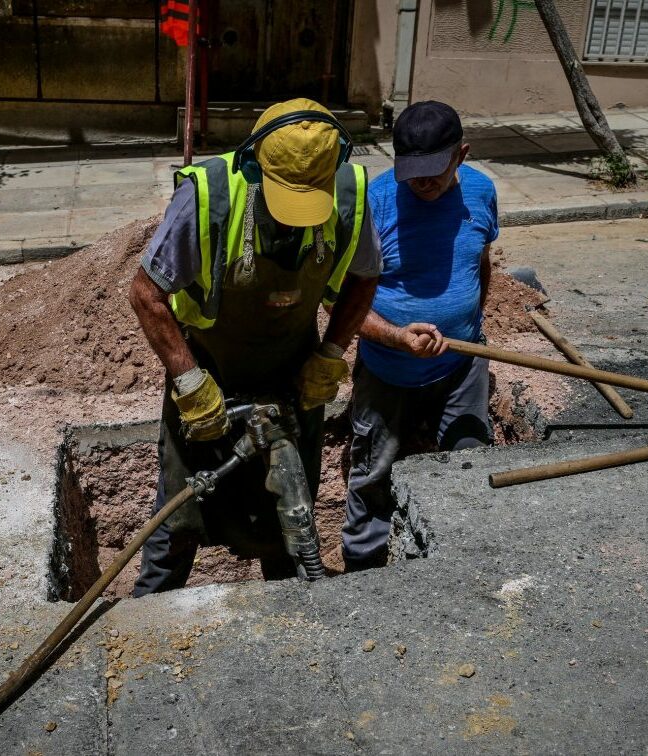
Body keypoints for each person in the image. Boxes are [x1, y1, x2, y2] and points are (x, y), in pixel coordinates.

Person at [129, 98, 381, 596]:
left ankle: (288, 608)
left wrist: (331, 352)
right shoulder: (209, 198)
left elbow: (365, 277)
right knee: (180, 514)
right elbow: (145, 294)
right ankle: (147, 608)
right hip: (210, 378)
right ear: (253, 166)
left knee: (290, 517)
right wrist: (188, 379)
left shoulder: (349, 193)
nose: (296, 221)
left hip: (293, 377)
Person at [342, 100, 498, 572]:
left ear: (461, 155)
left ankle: (464, 564)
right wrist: (395, 337)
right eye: (411, 173)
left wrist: (467, 322)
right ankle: (362, 572)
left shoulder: (481, 192)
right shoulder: (375, 202)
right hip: (387, 370)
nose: (421, 183)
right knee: (373, 475)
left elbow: (481, 262)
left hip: (462, 365)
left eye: (433, 172)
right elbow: (341, 303)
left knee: (471, 465)